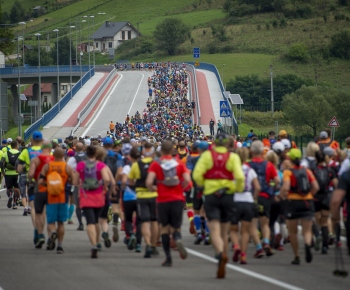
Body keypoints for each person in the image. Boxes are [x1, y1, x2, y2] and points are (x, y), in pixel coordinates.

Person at [193, 133, 245, 279]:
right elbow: (240, 177)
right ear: (228, 144)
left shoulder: (207, 156)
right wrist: (238, 189)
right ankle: (224, 258)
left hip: (211, 194)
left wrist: (203, 185)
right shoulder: (233, 157)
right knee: (225, 230)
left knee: (214, 228)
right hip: (228, 194)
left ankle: (220, 254)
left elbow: (197, 175)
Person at [146, 140, 191, 267]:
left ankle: (168, 257)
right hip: (177, 198)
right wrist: (181, 189)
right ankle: (177, 238)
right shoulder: (178, 163)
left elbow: (149, 182)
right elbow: (187, 179)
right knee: (175, 226)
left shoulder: (156, 164)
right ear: (172, 150)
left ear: (160, 151)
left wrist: (154, 189)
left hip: (162, 199)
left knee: (164, 228)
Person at [280, 148, 319, 265]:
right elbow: (316, 187)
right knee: (307, 230)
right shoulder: (307, 171)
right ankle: (307, 244)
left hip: (293, 202)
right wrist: (309, 195)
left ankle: (297, 256)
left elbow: (286, 187)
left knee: (293, 231)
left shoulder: (288, 172)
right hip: (307, 201)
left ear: (289, 159)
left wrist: (282, 196)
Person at [76, 145, 111, 258]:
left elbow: (76, 180)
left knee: (90, 222)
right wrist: (105, 187)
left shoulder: (81, 165)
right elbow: (106, 179)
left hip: (85, 196)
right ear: (96, 154)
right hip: (99, 196)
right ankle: (97, 241)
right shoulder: (101, 165)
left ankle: (94, 244)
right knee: (96, 220)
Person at [38, 148, 75, 254]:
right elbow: (73, 181)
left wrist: (48, 184)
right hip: (63, 197)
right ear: (63, 155)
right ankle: (59, 246)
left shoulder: (47, 166)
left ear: (53, 155)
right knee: (61, 223)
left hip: (51, 197)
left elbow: (40, 181)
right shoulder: (67, 167)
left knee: (51, 221)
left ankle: (53, 232)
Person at [248, 140, 280, 257]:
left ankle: (258, 248)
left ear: (251, 151)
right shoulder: (269, 165)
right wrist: (272, 188)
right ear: (262, 152)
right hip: (266, 197)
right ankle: (266, 242)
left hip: (252, 197)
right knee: (265, 223)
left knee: (252, 225)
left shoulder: (248, 165)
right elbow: (277, 181)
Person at [128, 142, 159, 258]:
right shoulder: (156, 164)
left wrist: (136, 185)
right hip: (155, 195)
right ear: (153, 152)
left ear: (142, 151)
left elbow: (130, 181)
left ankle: (147, 243)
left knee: (145, 222)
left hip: (141, 196)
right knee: (155, 221)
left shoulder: (136, 165)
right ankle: (154, 244)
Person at [230, 147, 260, 265]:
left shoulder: (233, 170)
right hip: (248, 200)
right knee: (245, 231)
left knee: (233, 229)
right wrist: (253, 199)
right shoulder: (250, 170)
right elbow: (257, 187)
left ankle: (236, 246)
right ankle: (243, 255)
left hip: (235, 200)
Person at [17, 131, 43, 244]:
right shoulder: (47, 153)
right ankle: (42, 232)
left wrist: (26, 169)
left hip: (32, 182)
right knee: (43, 210)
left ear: (31, 141)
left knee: (33, 208)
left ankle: (36, 231)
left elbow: (18, 168)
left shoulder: (26, 152)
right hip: (44, 183)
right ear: (42, 141)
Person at [28, 141, 54, 249]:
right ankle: (51, 235)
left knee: (38, 213)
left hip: (40, 189)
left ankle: (40, 234)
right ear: (50, 148)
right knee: (50, 214)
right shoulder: (54, 160)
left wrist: (31, 181)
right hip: (53, 189)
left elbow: (30, 174)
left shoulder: (36, 159)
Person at [66, 141, 86, 230]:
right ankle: (90, 221)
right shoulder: (88, 158)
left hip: (76, 183)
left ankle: (80, 223)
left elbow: (67, 170)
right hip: (88, 184)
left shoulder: (72, 159)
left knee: (76, 203)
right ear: (83, 148)